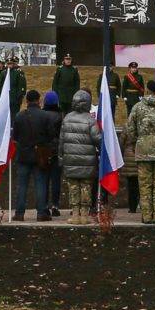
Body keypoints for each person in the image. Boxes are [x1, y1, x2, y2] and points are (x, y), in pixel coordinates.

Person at [123, 86, 155, 224]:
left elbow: (130, 128)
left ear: (147, 91)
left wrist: (137, 140)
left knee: (144, 185)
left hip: (143, 149)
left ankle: (146, 216)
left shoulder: (137, 107)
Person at [9, 90, 56, 221]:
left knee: (22, 185)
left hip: (23, 155)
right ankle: (41, 213)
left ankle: (19, 213)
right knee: (40, 184)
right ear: (38, 100)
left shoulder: (19, 116)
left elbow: (15, 136)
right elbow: (51, 135)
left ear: (27, 101)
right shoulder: (45, 116)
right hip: (40, 155)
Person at [59, 89, 98, 223]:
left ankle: (75, 215)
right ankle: (84, 215)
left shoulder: (67, 118)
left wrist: (61, 157)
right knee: (86, 187)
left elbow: (62, 140)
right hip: (87, 160)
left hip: (70, 159)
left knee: (73, 188)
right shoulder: (90, 120)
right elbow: (97, 139)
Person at [40, 90, 65, 215]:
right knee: (56, 180)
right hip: (56, 150)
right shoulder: (61, 115)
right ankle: (55, 205)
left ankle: (44, 205)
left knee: (44, 179)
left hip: (44, 151)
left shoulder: (41, 115)